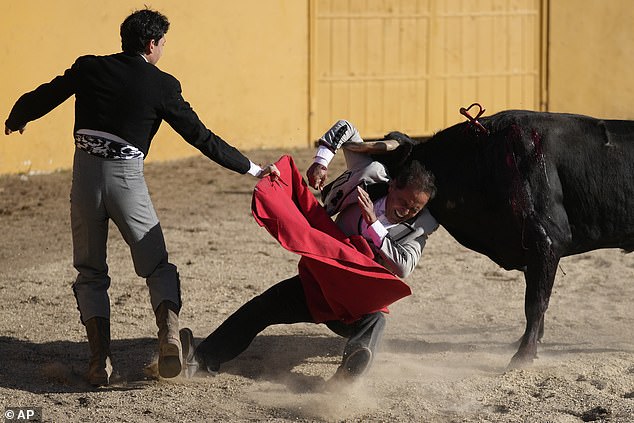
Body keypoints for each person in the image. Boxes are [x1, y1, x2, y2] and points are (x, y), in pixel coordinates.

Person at [4, 8, 279, 386]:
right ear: (151, 44)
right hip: (126, 180)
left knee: (90, 272)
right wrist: (252, 168)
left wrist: (17, 117)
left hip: (84, 178)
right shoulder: (162, 85)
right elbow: (202, 138)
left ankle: (100, 362)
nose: (164, 48)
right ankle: (168, 337)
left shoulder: (89, 67)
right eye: (164, 42)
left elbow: (45, 95)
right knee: (157, 266)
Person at [180, 119, 438, 381]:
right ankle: (201, 360)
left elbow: (404, 267)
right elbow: (345, 128)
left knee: (376, 321)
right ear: (393, 185)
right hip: (320, 282)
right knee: (260, 308)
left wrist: (374, 224)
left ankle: (346, 378)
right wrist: (321, 161)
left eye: (414, 209)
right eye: (403, 202)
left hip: (354, 302)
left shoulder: (420, 226)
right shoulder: (369, 175)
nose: (405, 212)